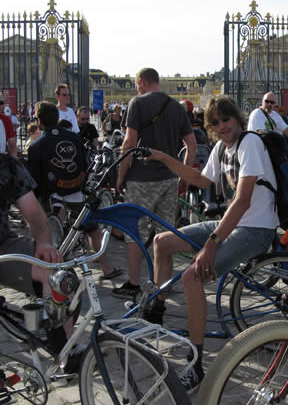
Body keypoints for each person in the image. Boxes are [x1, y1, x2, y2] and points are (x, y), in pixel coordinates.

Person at [145, 95, 278, 391]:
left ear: (237, 119)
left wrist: (212, 243)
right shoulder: (220, 147)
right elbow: (200, 180)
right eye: (215, 122)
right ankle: (155, 314)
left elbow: (242, 200)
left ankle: (196, 363)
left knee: (193, 277)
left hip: (255, 229)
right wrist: (165, 158)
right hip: (232, 224)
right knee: (162, 242)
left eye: (226, 119)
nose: (221, 126)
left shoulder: (250, 143)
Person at [112, 68, 197, 301]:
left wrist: (121, 175)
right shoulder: (176, 107)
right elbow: (191, 143)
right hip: (169, 179)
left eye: (137, 84)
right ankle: (163, 286)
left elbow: (129, 143)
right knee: (165, 234)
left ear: (142, 82)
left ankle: (133, 283)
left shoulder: (137, 103)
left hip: (142, 178)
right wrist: (184, 175)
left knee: (134, 233)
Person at [0, 152, 83, 370]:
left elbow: (35, 215)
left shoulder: (6, 165)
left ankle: (66, 351)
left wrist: (44, 246)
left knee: (59, 274)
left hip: (3, 247)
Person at [28, 102, 121, 280]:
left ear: (39, 120)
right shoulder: (74, 137)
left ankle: (49, 273)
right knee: (92, 229)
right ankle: (106, 268)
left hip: (52, 195)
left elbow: (35, 179)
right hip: (77, 190)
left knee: (48, 232)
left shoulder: (36, 146)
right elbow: (85, 164)